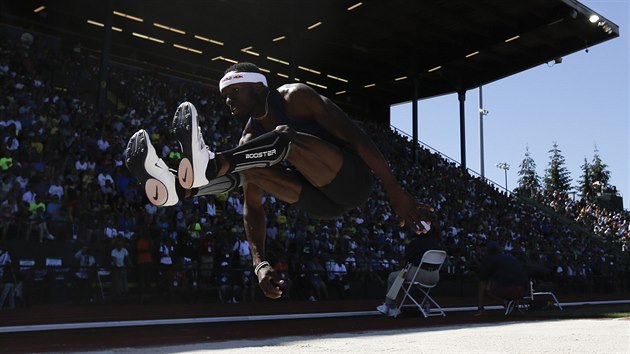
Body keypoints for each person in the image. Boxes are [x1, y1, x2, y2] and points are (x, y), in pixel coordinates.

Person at [125, 62, 434, 299]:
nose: (228, 101)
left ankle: (209, 166)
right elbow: (254, 207)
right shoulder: (249, 137)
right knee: (247, 170)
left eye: (234, 92)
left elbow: (356, 137)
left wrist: (393, 189)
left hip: (351, 180)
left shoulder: (295, 98)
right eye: (224, 96)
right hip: (319, 202)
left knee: (284, 138)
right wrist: (259, 263)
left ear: (258, 88)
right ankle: (177, 189)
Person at [376, 220, 443, 317]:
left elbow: (406, 262)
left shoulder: (414, 243)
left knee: (394, 276)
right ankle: (394, 306)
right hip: (435, 277)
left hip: (419, 275)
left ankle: (389, 306)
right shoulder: (436, 245)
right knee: (402, 278)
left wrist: (402, 268)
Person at [476, 241, 528, 315]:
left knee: (485, 285)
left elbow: (482, 283)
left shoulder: (489, 259)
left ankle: (505, 303)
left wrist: (480, 307)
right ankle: (513, 303)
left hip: (508, 290)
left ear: (487, 251)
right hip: (522, 291)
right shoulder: (510, 257)